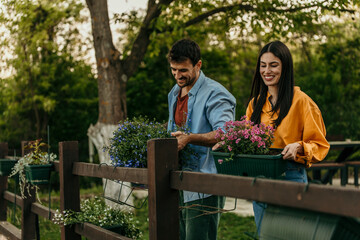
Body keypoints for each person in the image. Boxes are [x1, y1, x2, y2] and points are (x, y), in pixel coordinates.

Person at [246, 40, 330, 234]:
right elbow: (247, 140)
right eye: (263, 65)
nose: (267, 71)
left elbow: (320, 145)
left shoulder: (302, 102)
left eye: (274, 65)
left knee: (293, 236)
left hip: (291, 175)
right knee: (266, 236)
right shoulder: (255, 104)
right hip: (260, 178)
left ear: (285, 67)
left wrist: (299, 147)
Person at [167, 39, 236, 240]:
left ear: (198, 65)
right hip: (177, 181)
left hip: (205, 185)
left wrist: (189, 139)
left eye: (183, 70)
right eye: (173, 70)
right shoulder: (174, 92)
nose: (177, 75)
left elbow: (225, 133)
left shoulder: (217, 93)